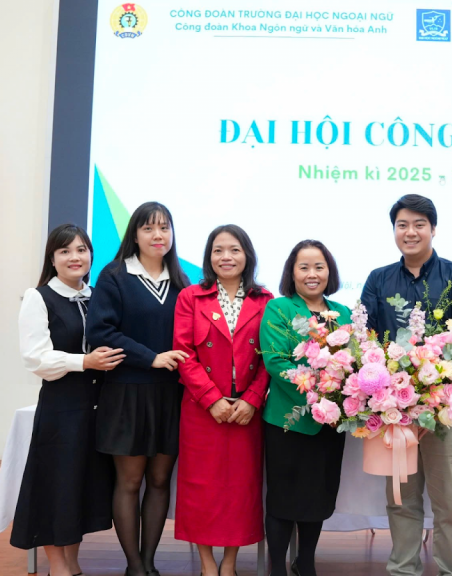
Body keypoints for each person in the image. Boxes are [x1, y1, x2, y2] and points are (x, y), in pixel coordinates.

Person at [359, 194, 452, 576]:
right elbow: (365, 342)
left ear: (433, 229)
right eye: (402, 225)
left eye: (418, 225)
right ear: (394, 230)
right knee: (402, 499)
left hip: (446, 409)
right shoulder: (378, 279)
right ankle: (403, 569)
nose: (410, 232)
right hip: (395, 411)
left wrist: (434, 393)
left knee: (450, 503)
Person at [86, 203, 191, 576]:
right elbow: (100, 333)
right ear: (135, 234)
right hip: (127, 392)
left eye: (164, 228)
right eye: (148, 228)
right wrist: (151, 358)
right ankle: (134, 566)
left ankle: (149, 562)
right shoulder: (115, 275)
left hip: (171, 395)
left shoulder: (182, 282)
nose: (158, 235)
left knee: (160, 481)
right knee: (130, 481)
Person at [10, 224, 121, 576]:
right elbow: (36, 359)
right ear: (52, 259)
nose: (75, 257)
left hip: (97, 410)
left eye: (81, 250)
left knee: (79, 488)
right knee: (57, 486)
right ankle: (58, 566)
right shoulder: (39, 297)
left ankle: (72, 563)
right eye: (65, 251)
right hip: (62, 409)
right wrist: (84, 362)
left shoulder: (97, 296)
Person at [173, 224, 272, 576]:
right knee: (200, 490)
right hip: (202, 411)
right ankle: (207, 564)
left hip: (246, 412)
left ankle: (229, 564)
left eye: (234, 250)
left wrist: (253, 399)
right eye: (218, 250)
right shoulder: (190, 297)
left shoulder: (265, 300)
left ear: (247, 255)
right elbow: (184, 354)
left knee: (240, 491)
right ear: (209, 257)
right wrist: (211, 399)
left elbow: (271, 358)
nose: (226, 257)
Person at [259, 240, 351, 576]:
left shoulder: (343, 313)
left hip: (330, 423)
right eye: (304, 267)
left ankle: (306, 563)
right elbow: (276, 362)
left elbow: (354, 362)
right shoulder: (279, 309)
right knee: (283, 499)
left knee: (318, 496)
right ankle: (277, 569)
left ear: (329, 271)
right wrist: (318, 392)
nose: (312, 274)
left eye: (319, 267)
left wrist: (339, 399)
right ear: (292, 273)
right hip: (288, 420)